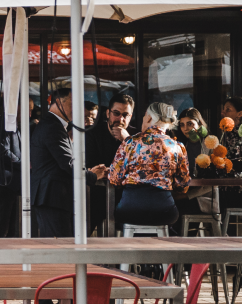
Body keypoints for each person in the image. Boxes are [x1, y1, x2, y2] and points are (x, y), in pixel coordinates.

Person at [32, 88, 106, 237]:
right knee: (59, 248)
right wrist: (92, 175)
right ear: (59, 102)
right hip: (52, 197)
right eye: (74, 104)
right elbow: (68, 163)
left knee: (58, 246)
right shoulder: (53, 127)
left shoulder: (53, 125)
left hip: (51, 197)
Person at [109, 102, 189, 227]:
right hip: (164, 211)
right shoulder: (177, 147)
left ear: (150, 118)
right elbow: (183, 185)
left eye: (144, 116)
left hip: (130, 210)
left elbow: (114, 179)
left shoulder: (130, 142)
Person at [86, 93, 134, 233]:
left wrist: (127, 141)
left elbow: (141, 166)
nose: (121, 119)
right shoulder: (92, 133)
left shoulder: (134, 137)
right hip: (96, 194)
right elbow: (90, 165)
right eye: (116, 113)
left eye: (126, 115)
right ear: (108, 113)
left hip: (125, 196)